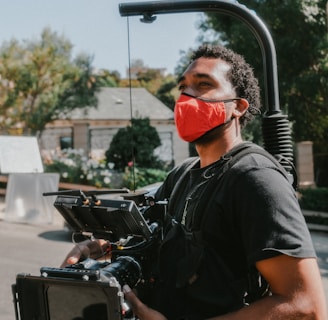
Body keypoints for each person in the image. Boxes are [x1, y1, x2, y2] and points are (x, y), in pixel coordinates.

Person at [62, 45, 327, 319]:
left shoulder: (254, 178)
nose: (187, 97)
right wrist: (101, 247)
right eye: (183, 87)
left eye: (203, 85)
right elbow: (146, 233)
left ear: (237, 106)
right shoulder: (182, 174)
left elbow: (306, 307)